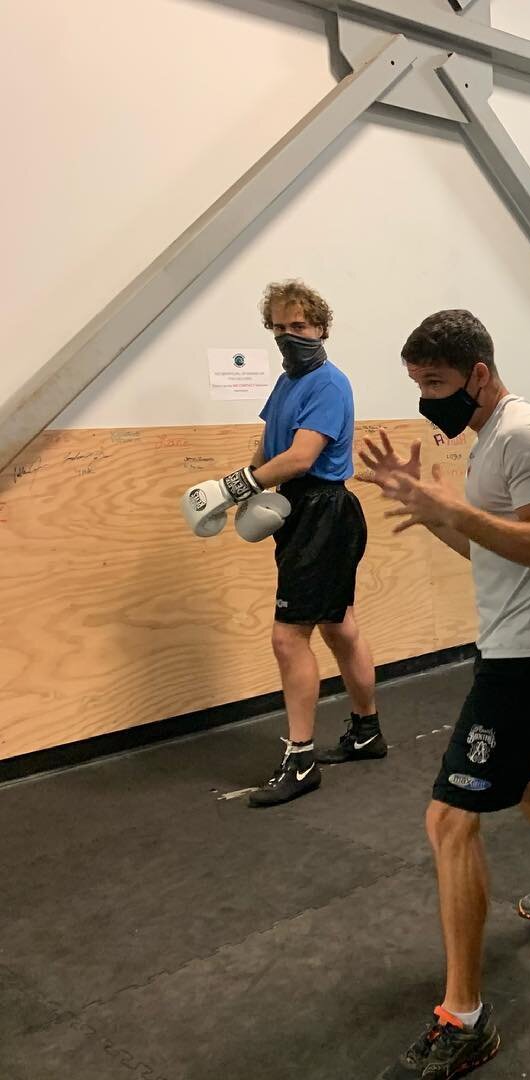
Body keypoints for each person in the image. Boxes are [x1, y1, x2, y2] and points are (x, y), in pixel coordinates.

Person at [368, 309, 530, 1079]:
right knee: (518, 774)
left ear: (478, 373)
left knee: (449, 819)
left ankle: (464, 1018)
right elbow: (493, 542)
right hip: (517, 638)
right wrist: (433, 509)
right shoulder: (491, 440)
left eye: (435, 383)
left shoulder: (522, 435)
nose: (425, 398)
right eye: (416, 384)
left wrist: (458, 510)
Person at [182, 280, 382, 808]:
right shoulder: (286, 383)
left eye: (299, 326)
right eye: (279, 327)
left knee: (288, 637)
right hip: (301, 509)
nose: (289, 335)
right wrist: (243, 487)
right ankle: (365, 732)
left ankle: (301, 759)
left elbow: (300, 456)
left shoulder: (329, 384)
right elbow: (268, 445)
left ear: (321, 328)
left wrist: (235, 486)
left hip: (323, 509)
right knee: (339, 624)